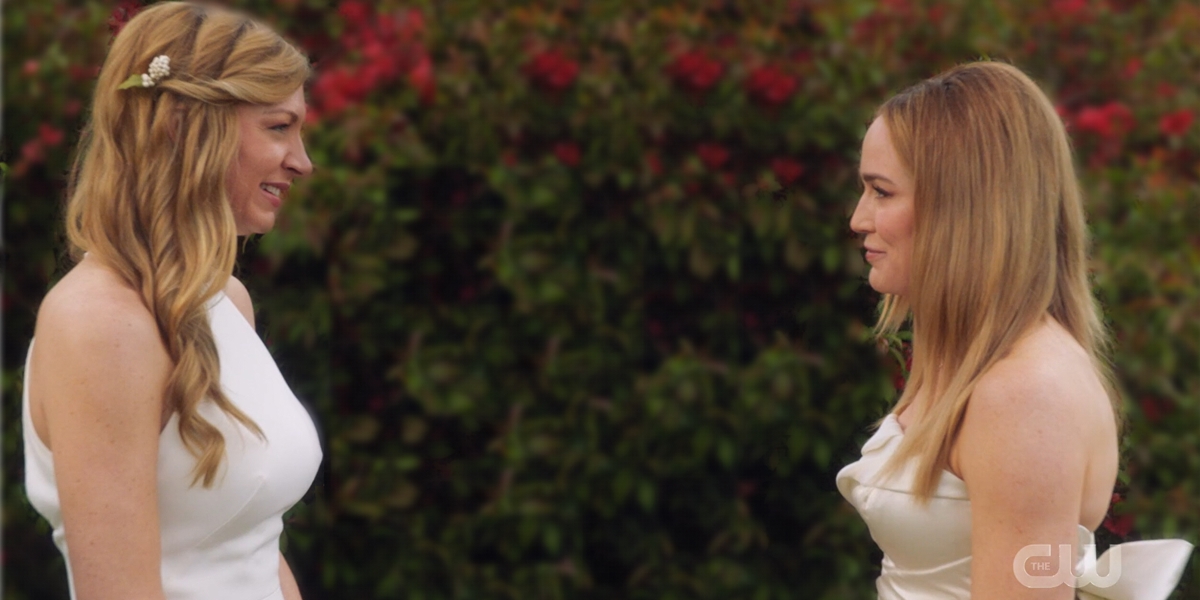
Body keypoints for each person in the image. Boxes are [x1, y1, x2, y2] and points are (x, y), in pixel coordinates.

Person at [836, 61, 1193, 599]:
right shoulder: (975, 359)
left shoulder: (1025, 394)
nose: (859, 219)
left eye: (882, 192)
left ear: (962, 205)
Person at [21, 3, 321, 599]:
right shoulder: (98, 325)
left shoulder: (226, 303)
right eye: (279, 127)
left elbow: (257, 546)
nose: (303, 161)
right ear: (184, 126)